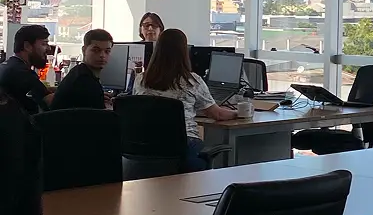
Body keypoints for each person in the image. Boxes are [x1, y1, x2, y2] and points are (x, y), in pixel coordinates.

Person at [134, 28, 236, 170]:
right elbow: (217, 114)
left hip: (145, 146)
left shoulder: (140, 79)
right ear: (184, 52)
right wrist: (239, 113)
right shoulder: (192, 81)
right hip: (183, 146)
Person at [52, 29, 114, 110]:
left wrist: (98, 96)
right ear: (84, 50)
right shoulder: (84, 80)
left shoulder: (79, 71)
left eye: (107, 51)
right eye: (96, 50)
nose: (102, 55)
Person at [0, 24, 55, 114]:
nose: (48, 48)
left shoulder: (7, 66)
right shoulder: (22, 73)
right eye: (44, 44)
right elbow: (51, 102)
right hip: (21, 126)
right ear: (27, 46)